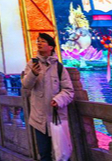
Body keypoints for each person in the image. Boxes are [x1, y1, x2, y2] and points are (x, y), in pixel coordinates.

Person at [21, 33, 74, 161]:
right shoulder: (31, 64)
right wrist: (33, 74)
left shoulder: (59, 67)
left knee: (61, 153)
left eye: (43, 41)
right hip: (39, 119)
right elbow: (26, 85)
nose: (39, 43)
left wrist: (58, 100)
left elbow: (69, 91)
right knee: (44, 154)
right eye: (38, 41)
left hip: (56, 118)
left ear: (51, 47)